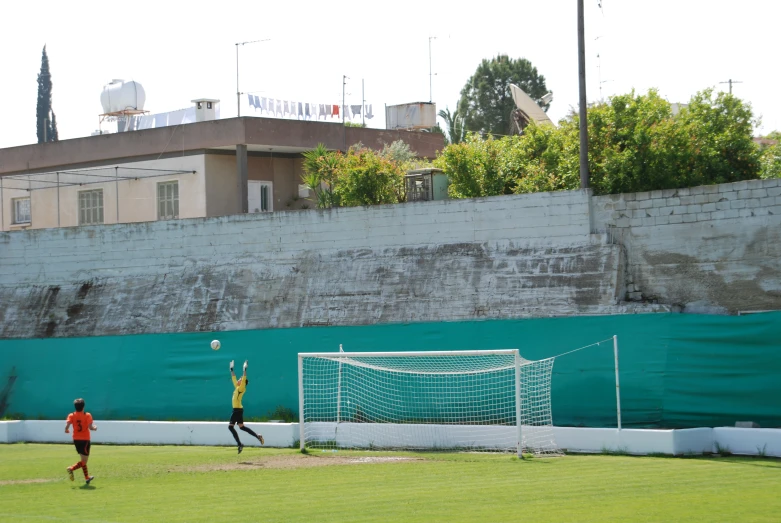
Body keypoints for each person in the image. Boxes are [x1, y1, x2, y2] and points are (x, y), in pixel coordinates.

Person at [228, 359, 264, 454]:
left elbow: (243, 378)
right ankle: (257, 436)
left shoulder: (241, 388)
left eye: (240, 380)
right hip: (238, 409)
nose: (239, 380)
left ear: (243, 383)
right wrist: (231, 369)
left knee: (230, 427)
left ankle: (240, 444)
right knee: (241, 427)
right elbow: (234, 379)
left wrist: (244, 369)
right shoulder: (237, 387)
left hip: (236, 410)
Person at [65, 398, 97, 484]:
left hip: (76, 439)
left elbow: (67, 424)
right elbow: (90, 427)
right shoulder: (87, 415)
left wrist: (66, 430)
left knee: (82, 459)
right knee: (84, 461)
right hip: (85, 439)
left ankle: (87, 477)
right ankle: (71, 468)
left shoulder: (71, 415)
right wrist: (95, 428)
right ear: (83, 406)